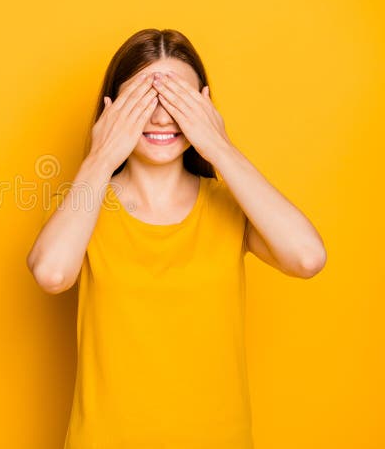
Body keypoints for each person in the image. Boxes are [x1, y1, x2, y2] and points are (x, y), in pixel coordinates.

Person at [26, 29, 326, 448]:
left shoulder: (231, 206)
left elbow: (308, 258)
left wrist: (219, 146)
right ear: (111, 108)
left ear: (203, 106)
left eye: (178, 100)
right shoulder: (82, 203)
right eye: (144, 99)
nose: (162, 117)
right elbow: (51, 273)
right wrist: (101, 156)